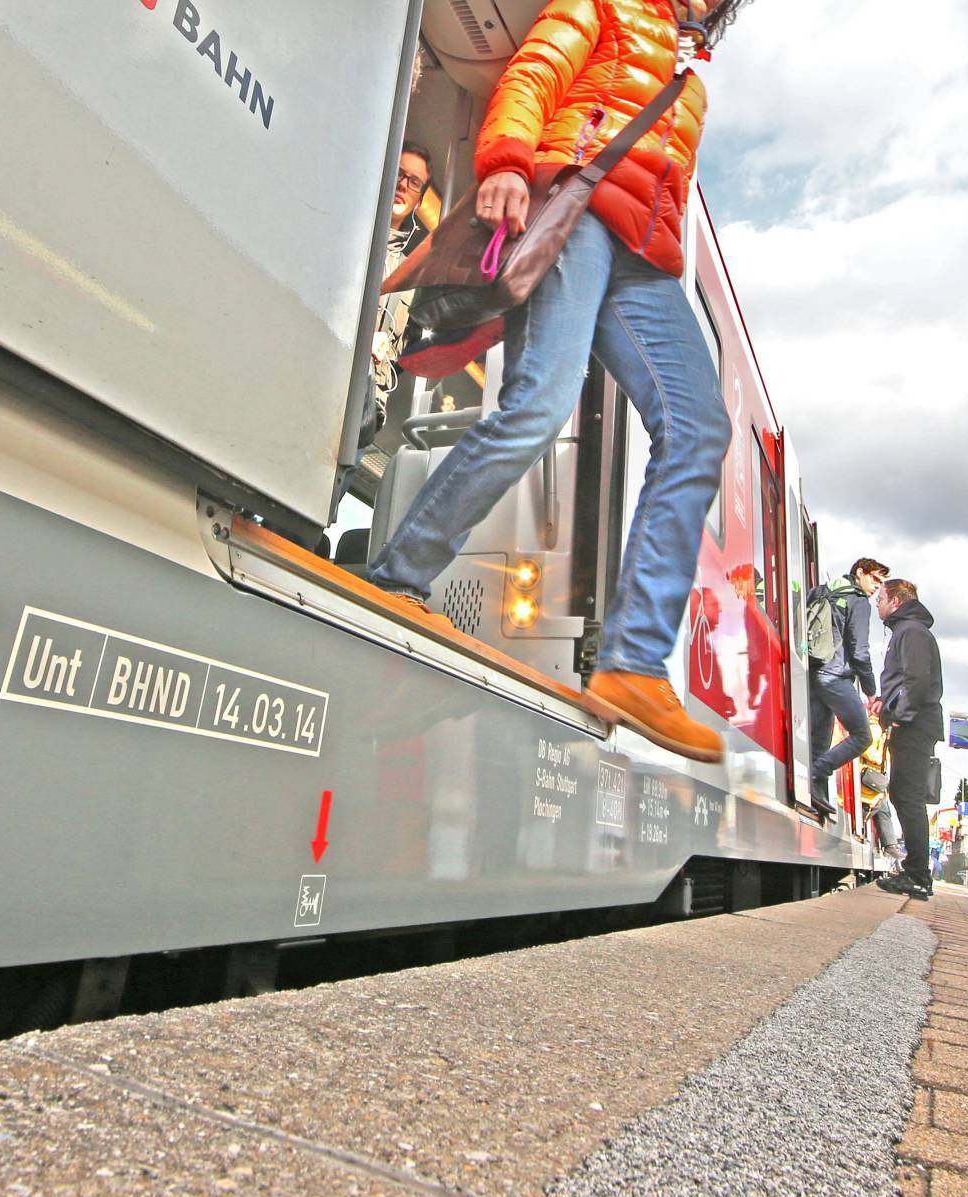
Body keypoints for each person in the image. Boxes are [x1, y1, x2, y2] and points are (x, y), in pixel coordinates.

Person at [365, 0, 755, 763]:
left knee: (700, 425)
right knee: (539, 404)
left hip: (645, 259)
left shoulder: (691, 84)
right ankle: (399, 574)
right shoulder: (609, 4)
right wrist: (509, 162)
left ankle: (633, 665)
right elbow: (536, 71)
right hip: (578, 210)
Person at [872, 579, 944, 900]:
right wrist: (884, 704)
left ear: (896, 602)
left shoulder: (911, 631)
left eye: (880, 598)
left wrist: (900, 715)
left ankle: (917, 876)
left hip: (914, 726)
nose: (877, 603)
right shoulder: (907, 631)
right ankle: (916, 873)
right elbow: (904, 681)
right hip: (912, 723)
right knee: (903, 794)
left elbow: (917, 680)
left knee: (909, 796)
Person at [808, 557, 889, 818]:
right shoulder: (858, 601)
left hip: (813, 672)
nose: (876, 586)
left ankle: (816, 796)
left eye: (881, 583)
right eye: (874, 579)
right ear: (860, 572)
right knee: (863, 736)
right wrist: (870, 690)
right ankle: (816, 773)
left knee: (819, 743)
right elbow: (860, 651)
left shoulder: (822, 590)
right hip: (835, 677)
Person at [369, 142, 433, 441]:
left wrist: (385, 357)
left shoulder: (411, 279)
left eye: (414, 182)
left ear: (418, 202)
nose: (403, 185)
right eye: (398, 173)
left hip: (366, 407)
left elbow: (412, 351)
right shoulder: (349, 238)